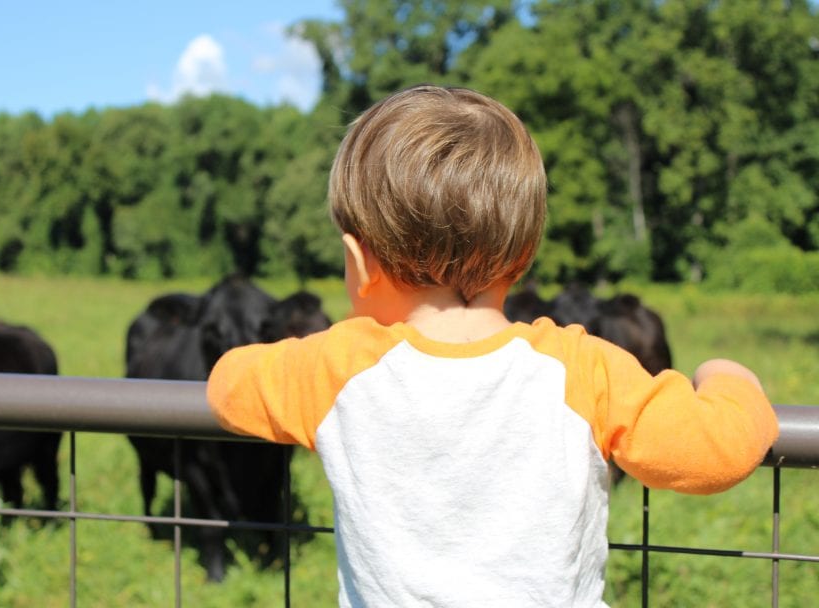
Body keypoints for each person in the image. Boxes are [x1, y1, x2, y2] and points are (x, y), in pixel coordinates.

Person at [206, 84, 778, 607]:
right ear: (524, 257)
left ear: (359, 262)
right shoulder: (581, 369)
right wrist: (727, 374)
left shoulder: (337, 368)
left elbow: (227, 386)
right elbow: (718, 451)